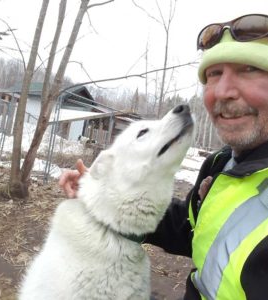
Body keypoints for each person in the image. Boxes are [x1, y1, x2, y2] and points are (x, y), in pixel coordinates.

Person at [59, 13, 268, 300]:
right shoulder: (224, 163)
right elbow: (194, 230)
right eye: (213, 74)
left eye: (249, 69)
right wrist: (107, 196)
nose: (222, 92)